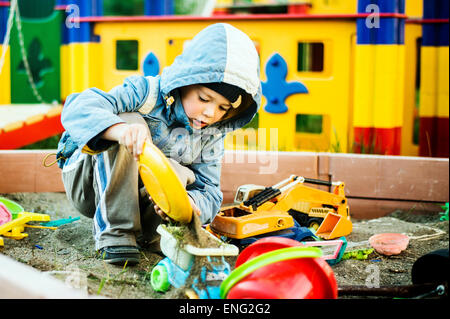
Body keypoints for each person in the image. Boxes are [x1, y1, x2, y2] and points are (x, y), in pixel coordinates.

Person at [56, 23, 261, 266]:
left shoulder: (212, 133)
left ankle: (151, 237)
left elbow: (211, 190)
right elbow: (79, 106)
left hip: (140, 198)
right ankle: (116, 233)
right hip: (89, 185)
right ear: (185, 82)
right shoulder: (146, 93)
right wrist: (120, 131)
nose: (210, 113)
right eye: (204, 98)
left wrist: (192, 203)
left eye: (222, 108)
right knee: (131, 121)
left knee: (180, 174)